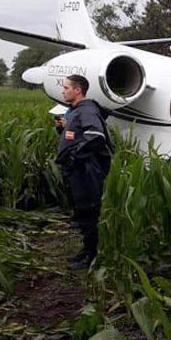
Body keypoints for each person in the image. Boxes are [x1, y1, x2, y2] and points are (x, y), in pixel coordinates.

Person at [56, 74, 112, 269]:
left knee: (88, 211)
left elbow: (95, 136)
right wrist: (62, 129)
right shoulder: (75, 111)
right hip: (77, 170)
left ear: (77, 90)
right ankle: (86, 250)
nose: (63, 91)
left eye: (66, 87)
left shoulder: (86, 111)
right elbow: (78, 135)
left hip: (85, 171)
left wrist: (74, 156)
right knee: (81, 211)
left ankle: (91, 256)